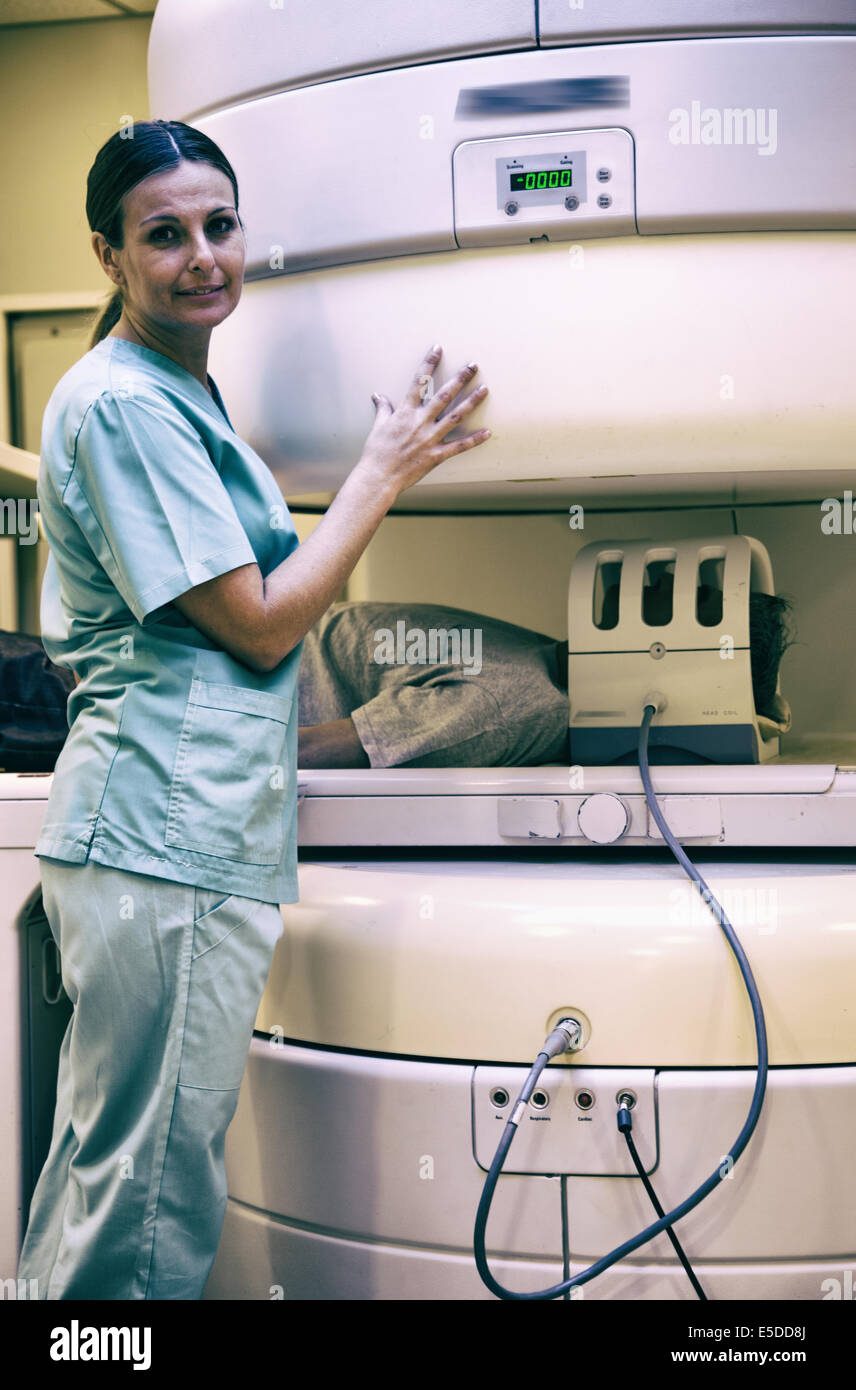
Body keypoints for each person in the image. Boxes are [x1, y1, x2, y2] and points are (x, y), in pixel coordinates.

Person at [17, 118, 490, 1301]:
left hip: (160, 834)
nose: (202, 256)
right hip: (160, 839)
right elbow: (263, 620)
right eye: (163, 235)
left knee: (102, 1169)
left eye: (219, 226)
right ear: (108, 254)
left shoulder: (176, 390)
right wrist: (380, 471)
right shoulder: (123, 404)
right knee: (145, 1200)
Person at [296, 587, 795, 769]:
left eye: (696, 595)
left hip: (247, 672)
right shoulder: (565, 660)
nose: (659, 581)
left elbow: (308, 751)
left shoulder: (502, 706)